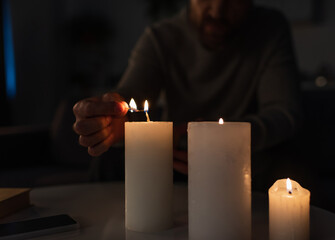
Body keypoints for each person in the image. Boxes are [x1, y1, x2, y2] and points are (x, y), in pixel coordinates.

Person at [72, 0, 302, 181]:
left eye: (235, 0)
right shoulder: (161, 38)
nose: (217, 10)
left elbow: (283, 114)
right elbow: (131, 92)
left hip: (246, 162)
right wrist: (111, 118)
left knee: (289, 166)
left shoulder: (269, 30)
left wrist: (225, 140)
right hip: (176, 159)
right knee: (110, 159)